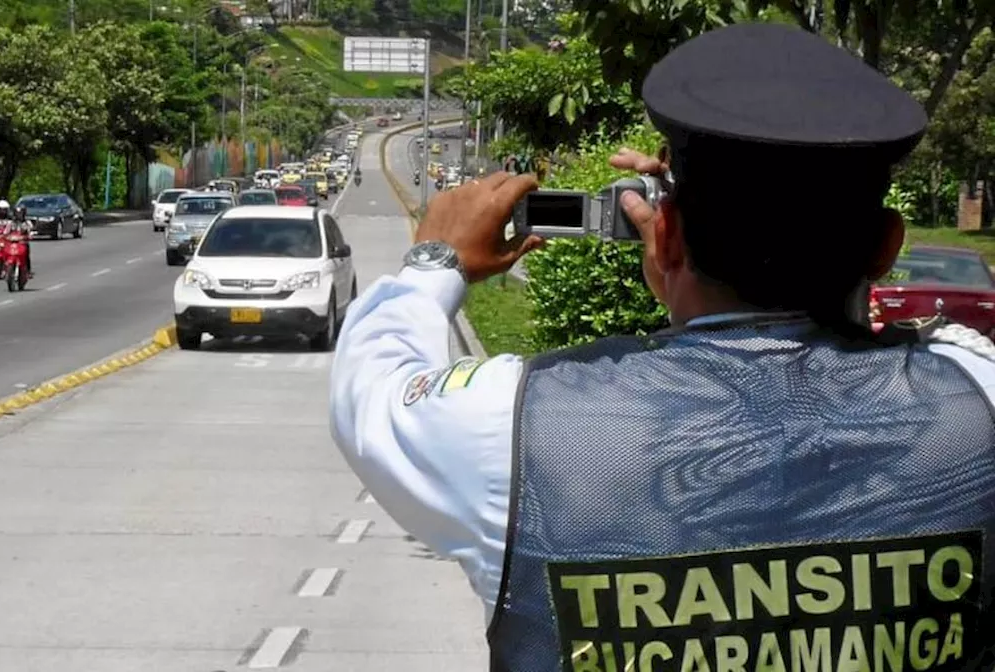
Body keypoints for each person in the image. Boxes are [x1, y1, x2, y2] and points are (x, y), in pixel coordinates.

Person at [329, 22, 995, 670]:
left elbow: (373, 389)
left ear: (667, 234)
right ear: (887, 246)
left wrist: (433, 262)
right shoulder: (978, 401)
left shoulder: (519, 428)